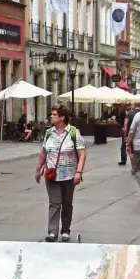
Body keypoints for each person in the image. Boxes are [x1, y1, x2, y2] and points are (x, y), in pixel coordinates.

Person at [34, 103, 86, 242]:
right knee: (54, 202)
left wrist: (79, 172)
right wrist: (38, 169)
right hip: (52, 175)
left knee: (67, 203)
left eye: (54, 114)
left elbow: (82, 154)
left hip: (69, 175)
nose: (51, 116)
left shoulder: (74, 133)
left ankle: (65, 230)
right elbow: (43, 152)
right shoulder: (49, 133)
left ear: (62, 117)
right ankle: (52, 232)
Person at [122, 99, 140, 170]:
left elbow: (125, 125)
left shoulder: (129, 114)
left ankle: (133, 168)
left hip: (131, 135)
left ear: (135, 105)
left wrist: (125, 135)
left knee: (132, 152)